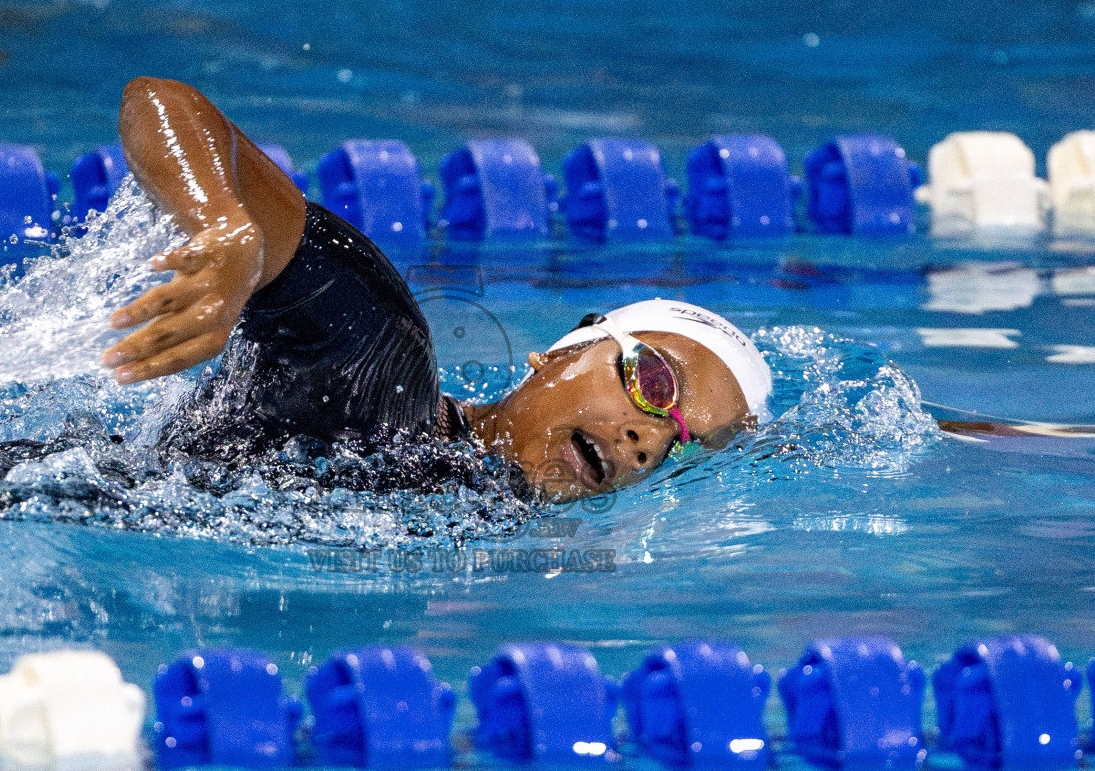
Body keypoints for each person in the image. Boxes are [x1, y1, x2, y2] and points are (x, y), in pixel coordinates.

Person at [101, 77, 773, 501]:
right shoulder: (378, 369)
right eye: (655, 385)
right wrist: (225, 230)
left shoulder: (476, 526)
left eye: (680, 444)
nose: (647, 439)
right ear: (565, 351)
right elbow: (165, 103)